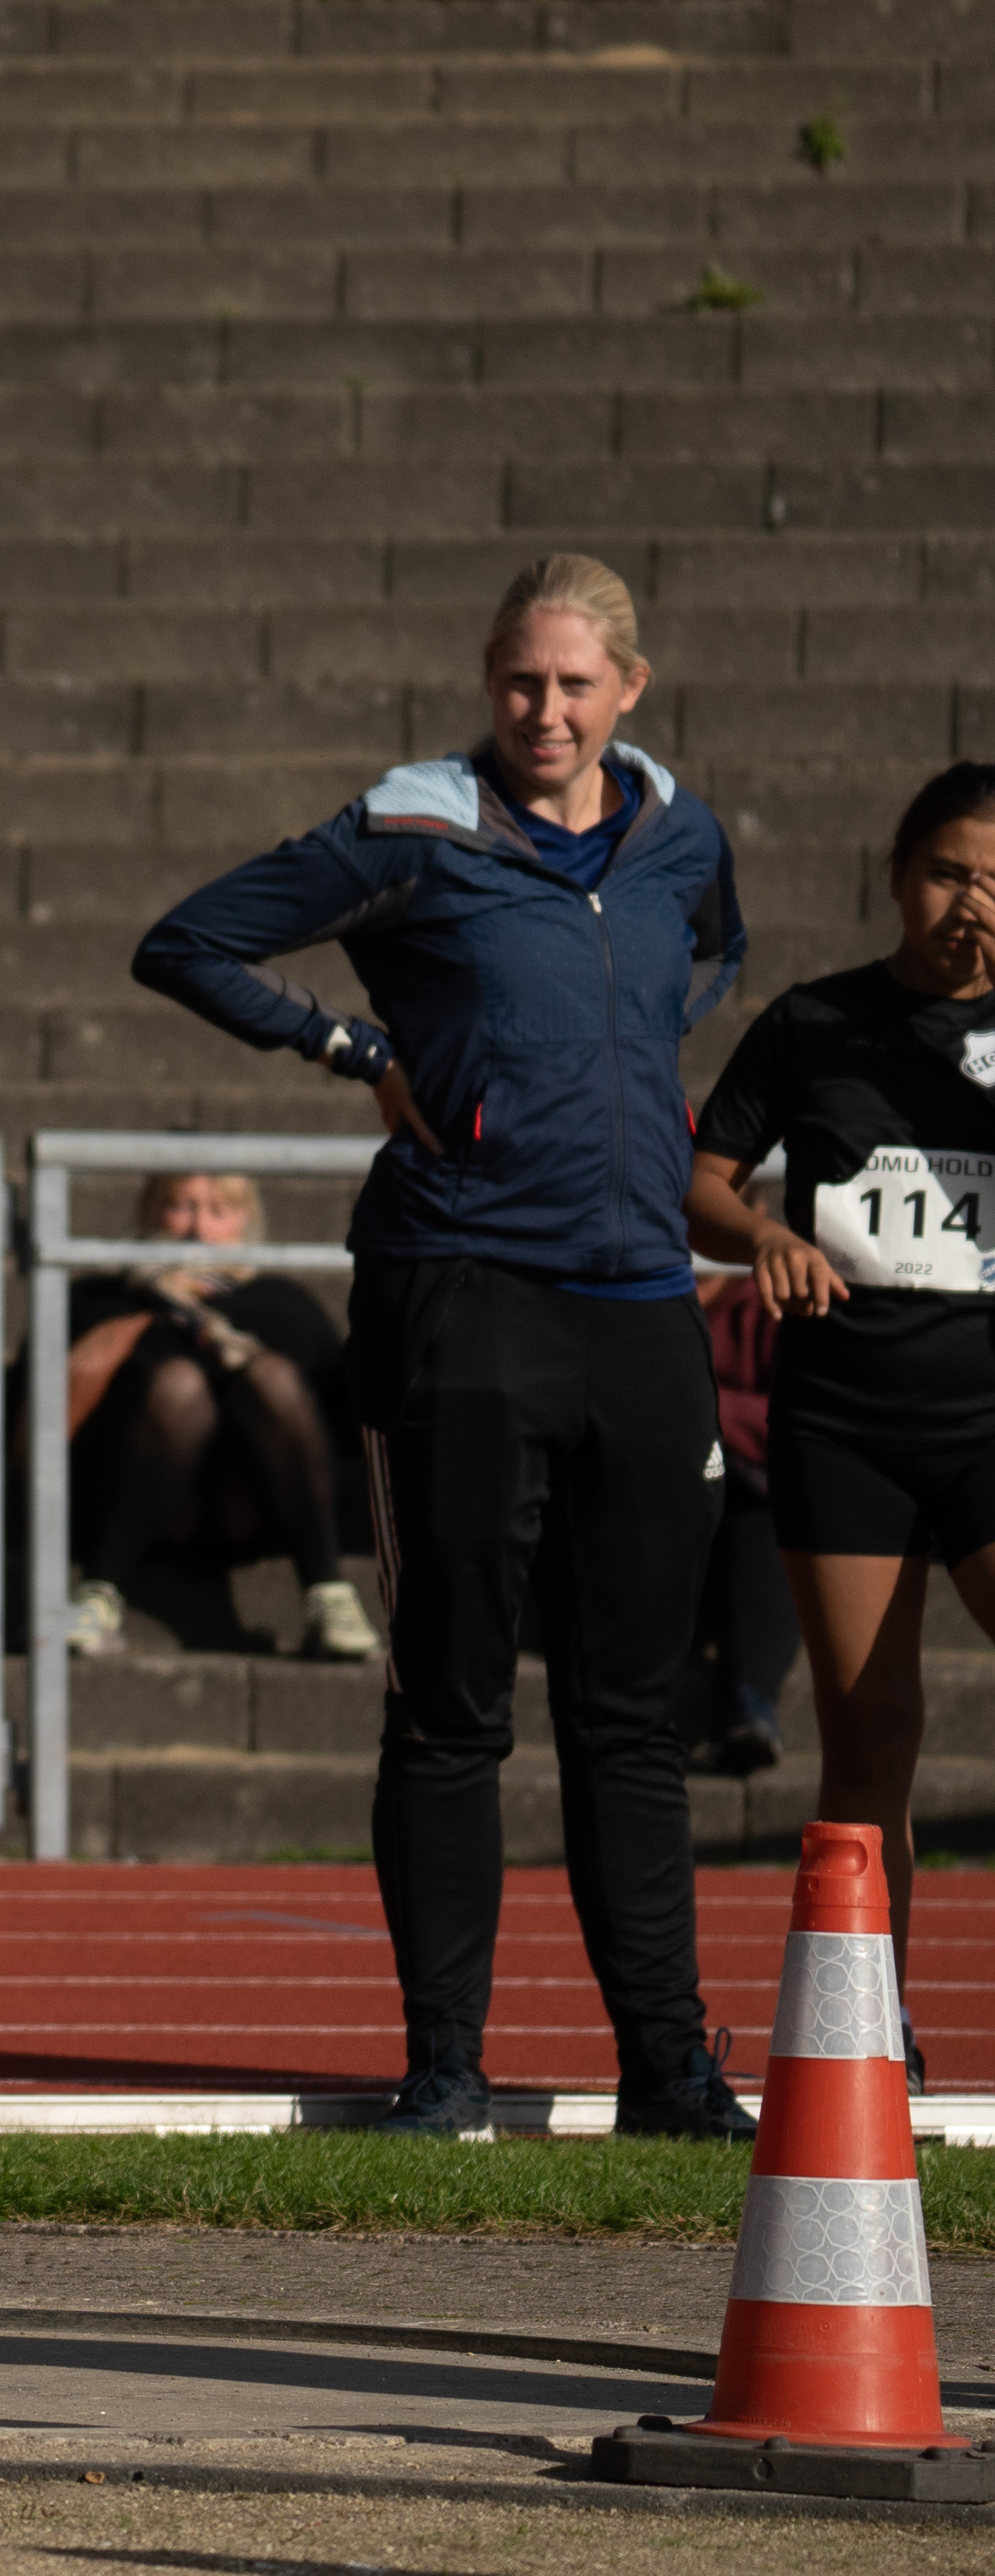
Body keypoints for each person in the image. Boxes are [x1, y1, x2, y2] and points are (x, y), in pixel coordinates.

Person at [132, 553, 754, 2142]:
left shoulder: (678, 828)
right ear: (490, 680)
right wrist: (359, 1048)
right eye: (517, 681)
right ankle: (444, 2068)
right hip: (459, 1292)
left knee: (627, 1709)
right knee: (451, 1701)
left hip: (636, 1301)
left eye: (573, 684)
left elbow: (716, 951)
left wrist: (620, 1072)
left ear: (631, 686)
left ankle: (671, 2070)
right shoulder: (415, 821)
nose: (542, 710)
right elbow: (187, 941)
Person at [684, 758, 995, 2094]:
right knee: (870, 1733)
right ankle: (868, 2029)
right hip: (849, 1420)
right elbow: (700, 1176)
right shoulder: (813, 1024)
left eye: (994, 882)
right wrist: (762, 1236)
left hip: (989, 1420)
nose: (968, 901)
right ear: (893, 873)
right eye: (946, 871)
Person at [64, 1171, 377, 1665]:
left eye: (218, 1210)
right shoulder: (99, 1301)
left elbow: (341, 1432)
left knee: (272, 1377)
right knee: (178, 1386)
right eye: (181, 1207)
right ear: (148, 1210)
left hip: (252, 1506)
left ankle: (327, 1590)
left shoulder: (282, 1303)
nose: (198, 1229)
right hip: (129, 1495)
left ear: (246, 1221)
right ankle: (100, 1589)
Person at [690, 1265, 793, 1781]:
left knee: (764, 1520)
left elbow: (794, 1414)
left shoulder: (773, 1301)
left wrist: (706, 1411)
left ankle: (750, 1699)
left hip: (746, 1490)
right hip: (665, 1489)